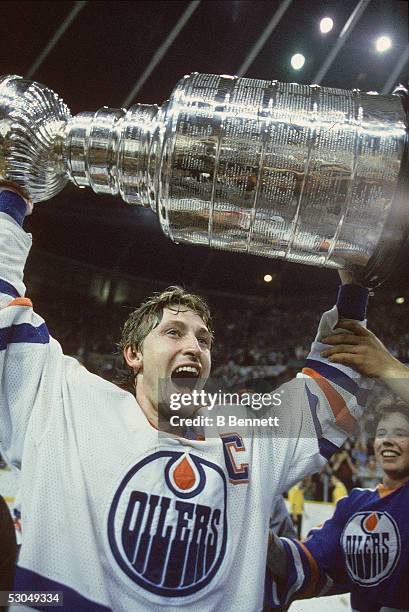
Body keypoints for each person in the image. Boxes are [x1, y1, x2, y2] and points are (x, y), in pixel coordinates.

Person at [0, 183, 372, 611]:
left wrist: (354, 285)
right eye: (173, 333)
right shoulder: (70, 405)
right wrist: (12, 192)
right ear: (134, 353)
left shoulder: (248, 438)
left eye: (204, 339)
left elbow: (327, 398)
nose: (195, 347)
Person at [265, 399, 409, 611]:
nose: (387, 440)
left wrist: (384, 368)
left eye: (400, 433)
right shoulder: (355, 505)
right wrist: (261, 534)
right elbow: (309, 561)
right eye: (382, 433)